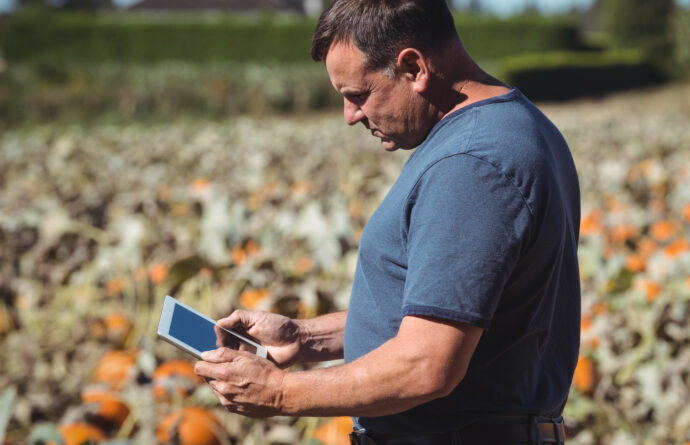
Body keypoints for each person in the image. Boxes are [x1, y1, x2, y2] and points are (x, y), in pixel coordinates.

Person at [194, 1, 582, 444]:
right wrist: (305, 338)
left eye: (359, 94)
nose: (350, 115)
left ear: (414, 67)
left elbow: (427, 364)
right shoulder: (515, 126)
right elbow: (453, 311)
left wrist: (280, 393)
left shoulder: (471, 163)